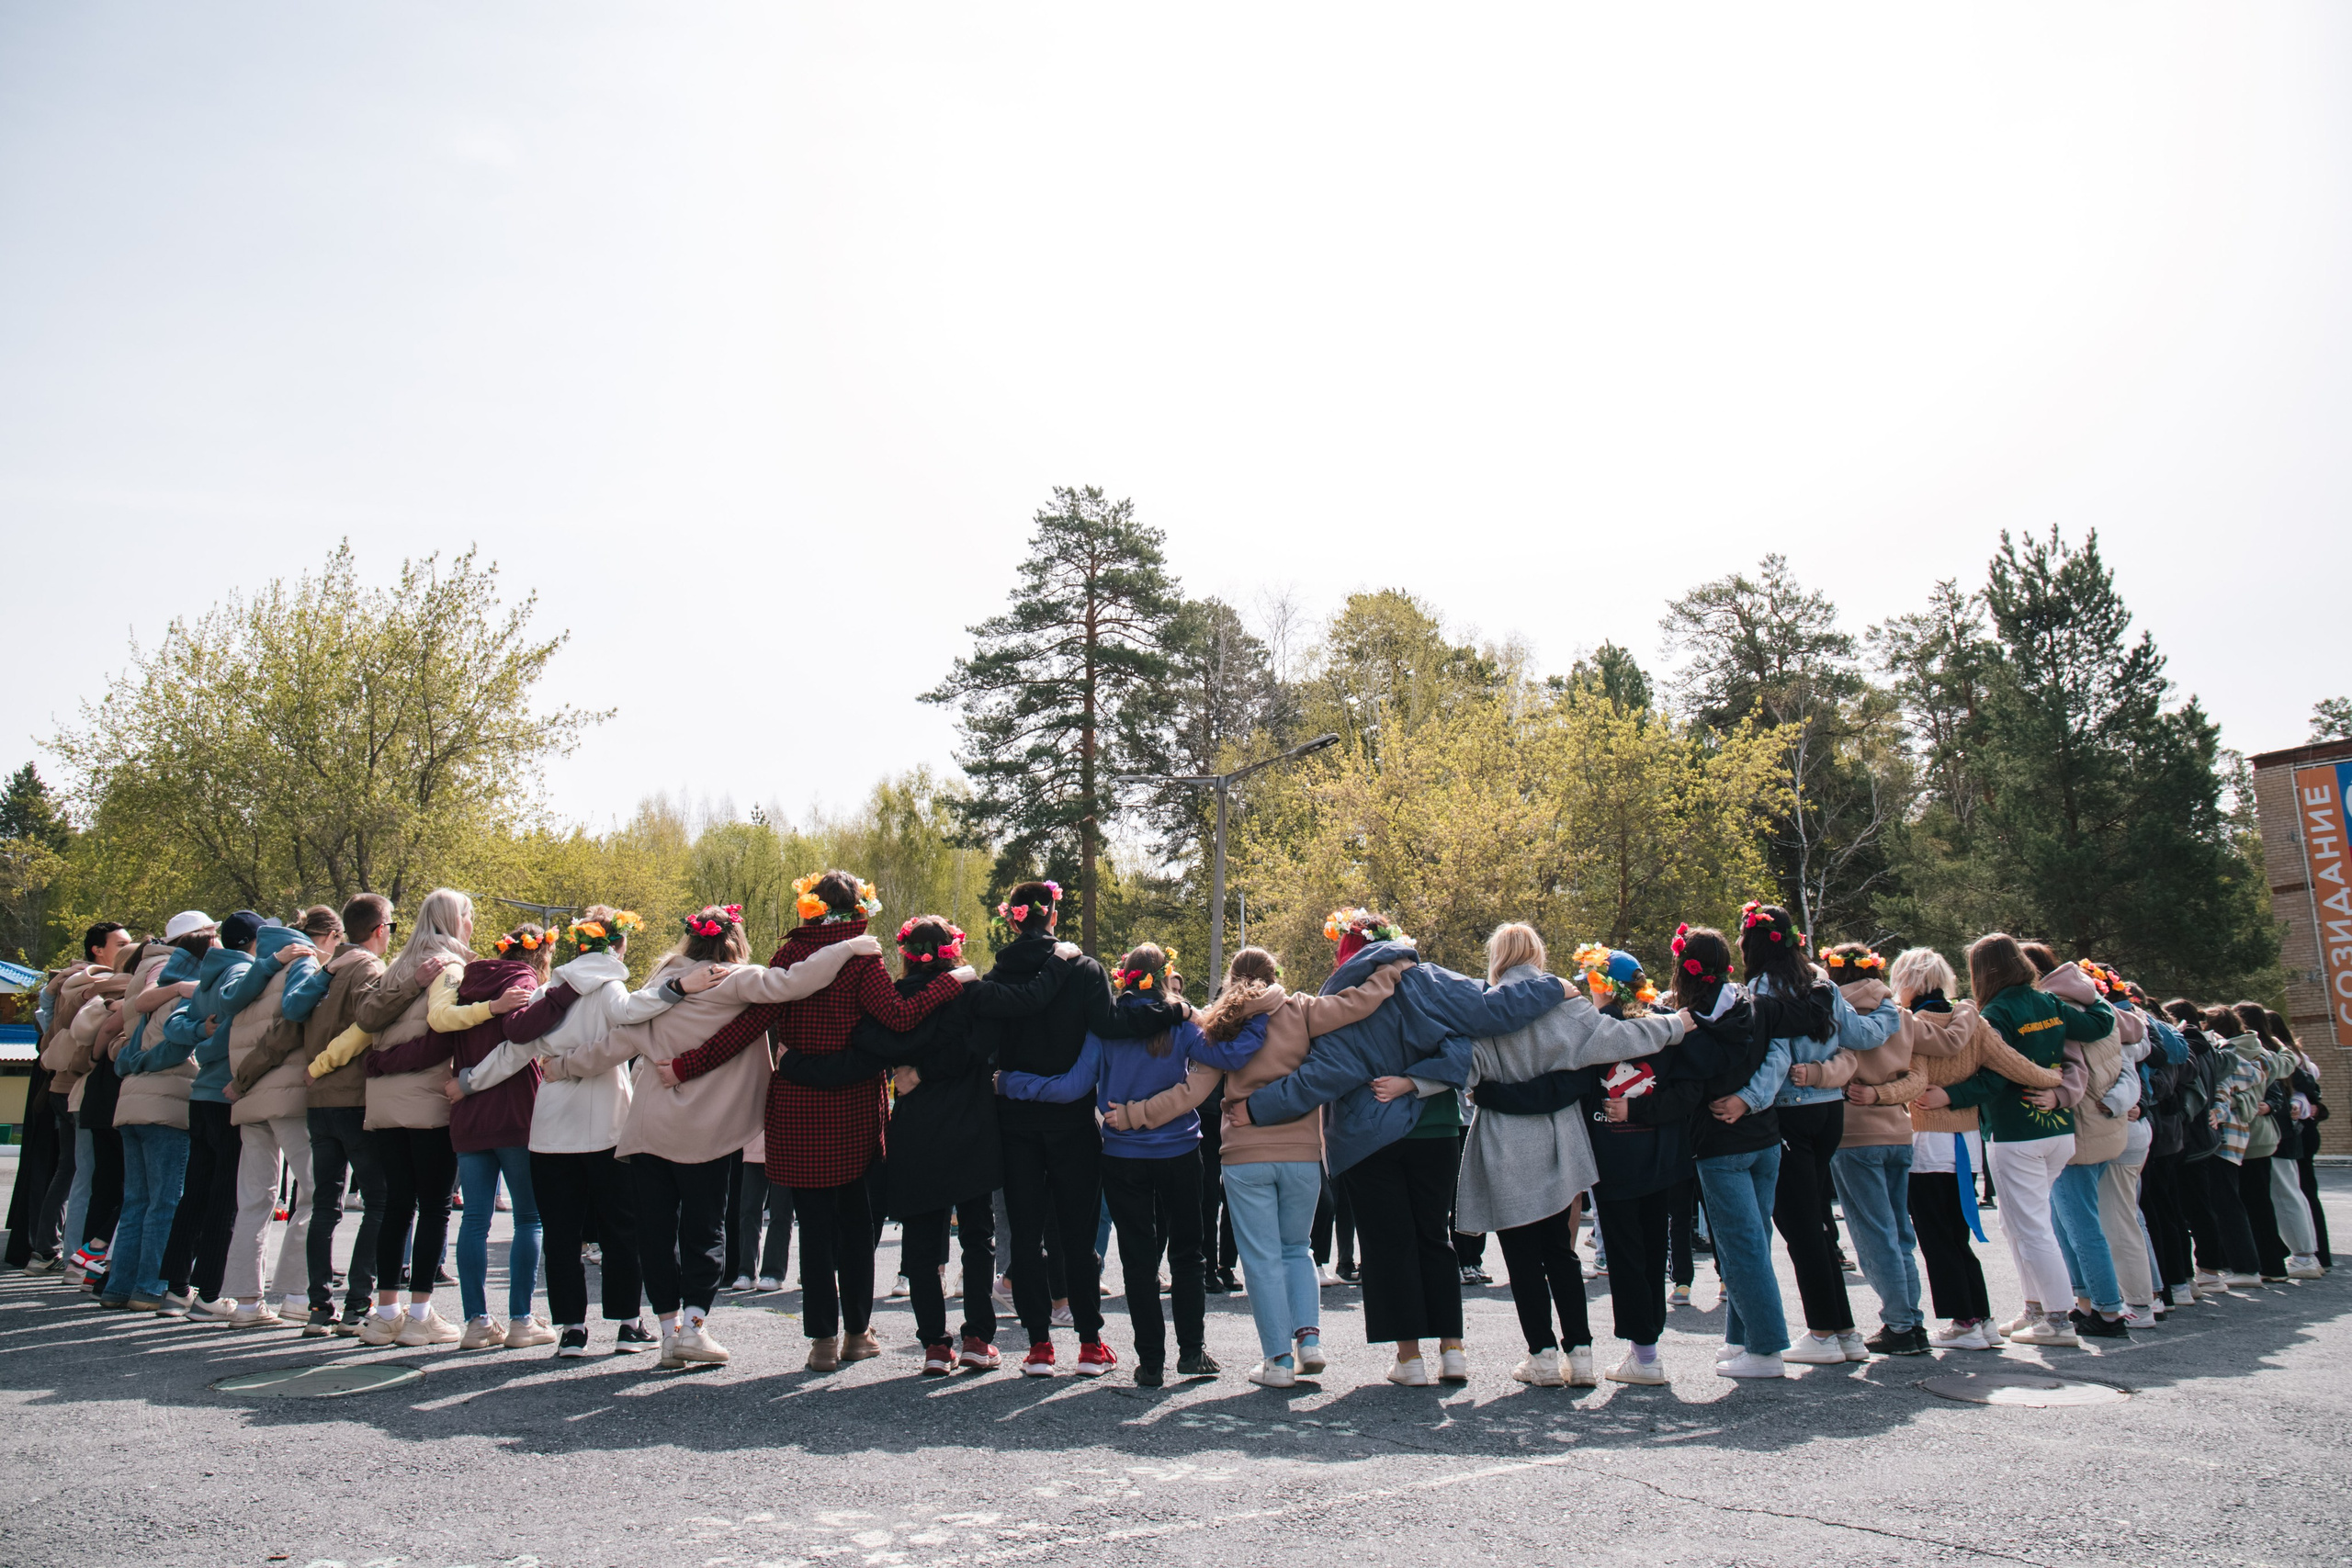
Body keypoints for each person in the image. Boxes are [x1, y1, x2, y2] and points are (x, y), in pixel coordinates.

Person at [1227, 908, 1567, 1387]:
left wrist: (1257, 1108)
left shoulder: (1339, 997)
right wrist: (1556, 987)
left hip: (1369, 1134)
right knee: (1434, 1237)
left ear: (1345, 953)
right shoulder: (1431, 979)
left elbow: (1324, 1074)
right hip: (1437, 1129)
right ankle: (1453, 1350)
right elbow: (1491, 1012)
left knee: (1389, 1245)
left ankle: (1409, 1359)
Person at [563, 902, 884, 1368]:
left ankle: (670, 1332)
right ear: (735, 939)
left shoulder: (661, 983)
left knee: (655, 1231)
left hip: (649, 1126)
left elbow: (617, 1043)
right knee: (705, 1227)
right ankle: (695, 1325)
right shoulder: (736, 979)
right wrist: (849, 945)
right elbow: (795, 982)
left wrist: (563, 1066)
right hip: (706, 1130)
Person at [778, 914, 1075, 1374]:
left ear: (905, 954)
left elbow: (865, 1044)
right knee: (978, 1236)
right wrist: (1058, 961)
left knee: (921, 1240)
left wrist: (796, 1063)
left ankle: (935, 1345)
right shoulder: (974, 994)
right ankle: (977, 1337)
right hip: (974, 1125)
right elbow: (1005, 1021)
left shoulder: (894, 1001)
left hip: (916, 1131)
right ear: (954, 950)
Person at [1104, 942, 1407, 1389]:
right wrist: (1392, 970)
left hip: (1245, 1156)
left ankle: (1278, 1362)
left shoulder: (1221, 1024)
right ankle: (1308, 1340)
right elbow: (1355, 1003)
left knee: (1262, 1259)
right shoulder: (1301, 1009)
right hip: (1302, 1152)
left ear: (1231, 979)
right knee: (1297, 1249)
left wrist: (1130, 1115)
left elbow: (1188, 1094)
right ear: (1273, 974)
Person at [452, 907, 727, 1356]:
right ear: (616, 946)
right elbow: (634, 1009)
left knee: (561, 1232)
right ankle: (626, 1323)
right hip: (606, 1124)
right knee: (621, 1228)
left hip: (549, 1126)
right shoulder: (610, 987)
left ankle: (572, 1330)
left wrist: (467, 1082)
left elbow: (512, 1052)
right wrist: (678, 988)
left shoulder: (548, 990)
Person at [1453, 931, 1687, 1389]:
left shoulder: (1483, 1010)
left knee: (1520, 1255)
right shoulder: (1566, 1002)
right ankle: (1580, 1354)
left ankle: (1541, 1355)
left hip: (1504, 1138)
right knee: (1560, 1250)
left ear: (1497, 958)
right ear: (1538, 955)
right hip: (1561, 1137)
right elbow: (1620, 1037)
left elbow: (1462, 1071)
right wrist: (1675, 1025)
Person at [998, 942, 1223, 1386]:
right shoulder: (1184, 1026)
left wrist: (1010, 1081)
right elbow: (1224, 1058)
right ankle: (1193, 1352)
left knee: (1138, 1259)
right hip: (1180, 1150)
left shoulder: (1104, 1031)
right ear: (1164, 977)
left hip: (1122, 1155)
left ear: (1123, 977)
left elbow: (1071, 1088)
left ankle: (1151, 1362)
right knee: (1188, 1254)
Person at [366, 920, 556, 1348]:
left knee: (474, 1219)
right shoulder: (523, 981)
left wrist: (380, 1061)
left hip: (467, 1116)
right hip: (515, 1112)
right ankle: (522, 1320)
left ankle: (477, 1321)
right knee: (528, 1218)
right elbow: (518, 1037)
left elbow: (433, 1045)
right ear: (540, 956)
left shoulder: (465, 983)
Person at [1724, 903, 1895, 1366]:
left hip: (1788, 1113)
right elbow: (1860, 1035)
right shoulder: (1822, 985)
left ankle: (1823, 1330)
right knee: (1818, 1221)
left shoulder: (1761, 991)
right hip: (1830, 1112)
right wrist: (1892, 1009)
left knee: (1800, 1227)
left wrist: (1745, 1100)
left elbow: (1774, 1057)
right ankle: (1844, 1331)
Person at [310, 887, 479, 1347]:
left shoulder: (397, 966)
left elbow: (366, 1019)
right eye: (468, 916)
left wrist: (377, 1063)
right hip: (427, 1098)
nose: (471, 924)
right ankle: (421, 1313)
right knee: (436, 1208)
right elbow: (446, 1033)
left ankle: (385, 1312)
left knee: (396, 1207)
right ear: (454, 920)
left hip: (381, 1103)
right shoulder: (452, 968)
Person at [1941, 933, 2114, 1348]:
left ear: (1980, 972)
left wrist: (1950, 1096)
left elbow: (1995, 1076)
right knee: (2016, 1223)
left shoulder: (1997, 1013)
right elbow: (2100, 1023)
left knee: (2032, 1227)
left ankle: (2057, 1319)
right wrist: (2093, 991)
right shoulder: (2050, 1002)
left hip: (2015, 1132)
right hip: (2057, 1130)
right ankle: (2035, 1308)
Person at [1892, 946, 2060, 1350]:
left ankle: (1964, 1321)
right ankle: (1980, 1316)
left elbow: (1911, 1081)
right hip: (1966, 1140)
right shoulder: (1974, 1021)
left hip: (1924, 1137)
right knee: (1958, 1232)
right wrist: (2056, 1080)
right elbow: (2013, 1064)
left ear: (1907, 981)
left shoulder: (1911, 1026)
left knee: (1935, 1236)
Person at [1796, 943, 1930, 1355]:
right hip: (1898, 1130)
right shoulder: (1900, 1015)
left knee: (1874, 1234)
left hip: (1854, 1133)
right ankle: (1912, 1319)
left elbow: (1841, 1063)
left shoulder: (1835, 1012)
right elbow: (1923, 1069)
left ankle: (1900, 1323)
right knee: (1901, 1232)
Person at [219, 907, 339, 1326]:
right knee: (313, 1193)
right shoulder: (303, 963)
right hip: (288, 1094)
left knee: (254, 1199)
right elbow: (294, 1018)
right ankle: (295, 1294)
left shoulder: (258, 969)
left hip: (248, 1096)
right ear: (328, 936)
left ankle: (247, 1301)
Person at [155, 908, 275, 1319]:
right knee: (226, 1196)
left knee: (196, 1194)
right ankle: (209, 1293)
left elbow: (175, 1025)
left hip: (201, 1093)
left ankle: (176, 1288)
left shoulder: (207, 972)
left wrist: (197, 1036)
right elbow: (231, 1022)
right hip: (228, 1093)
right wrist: (209, 1043)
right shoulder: (242, 971)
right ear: (253, 942)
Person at [105, 918, 215, 1309]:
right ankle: (150, 1287)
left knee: (136, 1200)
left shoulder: (144, 974)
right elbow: (173, 1043)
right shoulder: (180, 986)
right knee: (165, 1201)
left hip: (131, 1099)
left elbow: (124, 1031)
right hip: (166, 1099)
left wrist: (132, 1062)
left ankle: (119, 1285)